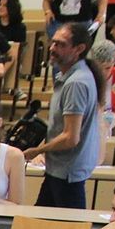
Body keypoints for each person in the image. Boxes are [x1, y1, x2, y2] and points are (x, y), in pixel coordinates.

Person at [24, 24, 104, 208]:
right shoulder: (72, 77)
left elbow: (70, 138)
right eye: (53, 43)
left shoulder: (76, 83)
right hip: (59, 170)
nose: (52, 48)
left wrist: (38, 151)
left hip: (67, 172)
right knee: (40, 223)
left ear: (79, 49)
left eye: (60, 44)